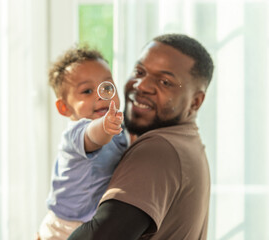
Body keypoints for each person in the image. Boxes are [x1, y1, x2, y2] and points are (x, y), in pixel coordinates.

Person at [68, 33, 214, 240]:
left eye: (165, 82)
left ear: (195, 102)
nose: (142, 85)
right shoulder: (187, 141)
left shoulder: (158, 149)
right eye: (139, 72)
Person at [37, 45, 129, 240]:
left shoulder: (118, 128)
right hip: (62, 226)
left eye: (107, 87)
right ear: (64, 107)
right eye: (87, 91)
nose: (101, 95)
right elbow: (93, 135)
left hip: (90, 224)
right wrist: (105, 125)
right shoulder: (76, 133)